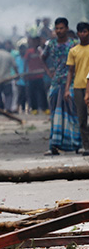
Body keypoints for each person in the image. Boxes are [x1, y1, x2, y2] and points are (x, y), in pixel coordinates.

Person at [43, 17, 80, 155]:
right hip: (56, 83)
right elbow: (43, 58)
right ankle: (54, 145)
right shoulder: (51, 44)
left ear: (67, 29)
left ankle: (77, 144)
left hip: (73, 82)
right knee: (55, 114)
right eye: (57, 28)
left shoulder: (74, 44)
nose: (59, 31)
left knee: (73, 113)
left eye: (61, 28)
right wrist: (49, 73)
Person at [69, 22, 89, 155]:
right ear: (77, 34)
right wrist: (66, 88)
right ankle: (86, 146)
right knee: (81, 118)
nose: (83, 34)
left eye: (85, 31)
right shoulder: (73, 50)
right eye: (80, 32)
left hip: (87, 87)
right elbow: (70, 71)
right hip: (78, 86)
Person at [24, 36, 50, 114]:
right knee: (32, 93)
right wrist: (25, 73)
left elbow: (43, 61)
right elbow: (26, 62)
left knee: (42, 92)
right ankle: (34, 109)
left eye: (37, 42)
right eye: (34, 42)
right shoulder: (29, 51)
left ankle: (45, 108)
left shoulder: (40, 51)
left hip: (40, 76)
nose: (35, 43)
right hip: (31, 76)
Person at [0, 43, 17, 112]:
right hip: (7, 79)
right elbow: (14, 66)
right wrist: (17, 74)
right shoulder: (8, 55)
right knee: (8, 94)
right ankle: (8, 108)